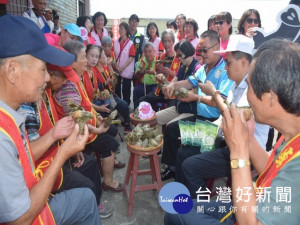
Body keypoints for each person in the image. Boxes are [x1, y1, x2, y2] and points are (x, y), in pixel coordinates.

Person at [166, 38, 300, 225]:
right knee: (178, 204)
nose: (248, 96)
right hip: (254, 202)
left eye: (251, 87)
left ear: (271, 97)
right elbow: (273, 171)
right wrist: (248, 140)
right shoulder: (291, 136)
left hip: (250, 214)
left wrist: (238, 149)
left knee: (174, 212)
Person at [0, 15, 101, 225]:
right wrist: (63, 154)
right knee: (86, 197)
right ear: (12, 70)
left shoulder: (10, 114)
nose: (48, 78)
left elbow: (23, 157)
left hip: (34, 197)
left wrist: (53, 134)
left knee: (86, 199)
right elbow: (19, 219)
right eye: (43, 69)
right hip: (31, 214)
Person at [174, 35, 269, 200]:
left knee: (190, 166)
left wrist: (213, 95)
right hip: (227, 140)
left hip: (244, 152)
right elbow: (222, 121)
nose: (225, 67)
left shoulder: (253, 90)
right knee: (184, 151)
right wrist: (197, 135)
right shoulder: (234, 85)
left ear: (244, 62)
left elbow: (235, 122)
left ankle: (202, 208)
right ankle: (186, 202)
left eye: (228, 62)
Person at [19, 62, 113, 219]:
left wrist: (71, 150)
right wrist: (65, 151)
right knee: (87, 188)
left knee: (90, 164)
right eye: (44, 72)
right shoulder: (27, 105)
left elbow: (55, 129)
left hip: (57, 153)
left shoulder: (47, 94)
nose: (48, 77)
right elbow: (28, 154)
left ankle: (95, 205)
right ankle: (89, 209)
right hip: (43, 168)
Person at [160, 30, 233, 181]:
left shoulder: (225, 71)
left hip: (214, 122)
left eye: (205, 50)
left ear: (217, 46)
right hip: (199, 117)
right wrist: (171, 86)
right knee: (172, 130)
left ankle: (184, 177)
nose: (202, 54)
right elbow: (187, 82)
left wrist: (197, 97)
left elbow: (221, 101)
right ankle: (173, 168)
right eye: (200, 50)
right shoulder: (203, 69)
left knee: (185, 152)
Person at [54, 40, 124, 192]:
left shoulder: (76, 80)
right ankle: (108, 181)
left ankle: (108, 168)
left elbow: (85, 106)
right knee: (109, 143)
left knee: (111, 131)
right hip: (79, 133)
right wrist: (97, 130)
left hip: (87, 127)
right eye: (84, 57)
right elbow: (76, 121)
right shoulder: (68, 87)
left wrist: (97, 117)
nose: (87, 60)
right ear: (72, 63)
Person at [155, 39, 200, 127]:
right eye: (177, 55)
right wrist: (164, 81)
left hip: (190, 111)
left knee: (170, 126)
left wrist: (172, 89)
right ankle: (160, 141)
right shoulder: (182, 68)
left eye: (180, 55)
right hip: (178, 107)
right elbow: (171, 84)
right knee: (154, 119)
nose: (178, 58)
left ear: (188, 53)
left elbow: (194, 93)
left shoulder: (197, 68)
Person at [138, 29, 180, 110]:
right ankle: (146, 118)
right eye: (164, 41)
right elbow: (158, 76)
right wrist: (156, 72)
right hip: (160, 91)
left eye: (169, 41)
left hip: (173, 93)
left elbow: (182, 78)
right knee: (141, 101)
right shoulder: (161, 57)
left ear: (173, 42)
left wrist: (169, 72)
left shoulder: (179, 58)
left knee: (171, 110)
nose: (167, 44)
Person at [96, 42, 132, 134]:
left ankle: (127, 125)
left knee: (124, 105)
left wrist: (109, 67)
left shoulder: (105, 67)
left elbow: (114, 81)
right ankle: (114, 127)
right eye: (103, 56)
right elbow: (96, 87)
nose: (106, 57)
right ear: (99, 59)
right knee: (113, 109)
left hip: (109, 95)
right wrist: (105, 83)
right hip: (100, 98)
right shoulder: (94, 70)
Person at [114, 22, 135, 105]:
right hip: (116, 69)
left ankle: (126, 104)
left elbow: (131, 57)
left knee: (126, 88)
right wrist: (116, 66)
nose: (120, 30)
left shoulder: (130, 43)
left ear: (126, 30)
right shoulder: (115, 42)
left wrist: (122, 68)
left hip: (126, 69)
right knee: (117, 88)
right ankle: (118, 104)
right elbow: (113, 55)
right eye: (119, 28)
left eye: (121, 28)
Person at [133, 42, 158, 109]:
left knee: (154, 92)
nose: (148, 54)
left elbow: (162, 76)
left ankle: (153, 112)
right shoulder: (141, 61)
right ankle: (137, 111)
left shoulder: (158, 61)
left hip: (154, 85)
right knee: (136, 90)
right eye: (146, 52)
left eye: (150, 51)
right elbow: (135, 77)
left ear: (154, 51)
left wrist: (154, 73)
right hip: (142, 84)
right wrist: (140, 72)